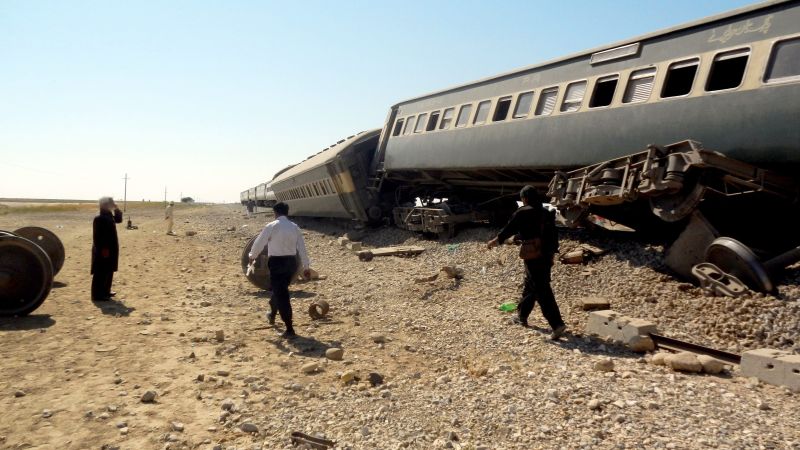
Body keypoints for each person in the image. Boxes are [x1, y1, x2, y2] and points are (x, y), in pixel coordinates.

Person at [487, 185, 566, 339]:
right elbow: (553, 235)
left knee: (541, 288)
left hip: (533, 255)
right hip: (546, 254)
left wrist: (494, 242)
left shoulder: (522, 212)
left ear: (524, 198)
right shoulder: (546, 213)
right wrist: (551, 254)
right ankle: (522, 316)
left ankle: (557, 324)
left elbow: (507, 230)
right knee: (531, 283)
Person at [249, 202, 311, 338]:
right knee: (281, 289)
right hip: (291, 263)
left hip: (277, 263)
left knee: (282, 294)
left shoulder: (271, 226)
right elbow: (302, 248)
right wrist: (306, 267)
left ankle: (289, 328)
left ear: (275, 213)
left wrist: (252, 256)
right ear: (287, 213)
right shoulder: (295, 227)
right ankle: (272, 313)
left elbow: (259, 242)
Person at [91, 196, 123, 301]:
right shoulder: (99, 218)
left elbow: (119, 220)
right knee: (101, 272)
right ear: (104, 205)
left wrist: (116, 209)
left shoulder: (108, 215)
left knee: (109, 270)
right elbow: (97, 237)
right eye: (110, 203)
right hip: (103, 249)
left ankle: (106, 291)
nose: (112, 204)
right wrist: (103, 249)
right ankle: (97, 295)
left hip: (111, 247)